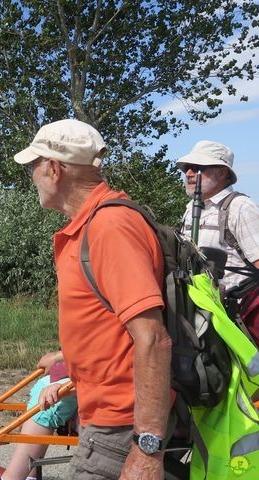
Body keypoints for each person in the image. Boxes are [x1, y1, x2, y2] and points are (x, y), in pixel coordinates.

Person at [13, 119, 172, 480]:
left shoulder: (109, 227)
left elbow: (153, 338)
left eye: (34, 167)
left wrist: (147, 449)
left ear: (54, 168)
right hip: (103, 416)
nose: (32, 177)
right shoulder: (92, 225)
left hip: (121, 425)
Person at [176, 141, 259, 340]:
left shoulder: (240, 207)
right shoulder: (191, 208)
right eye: (186, 168)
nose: (188, 174)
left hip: (240, 315)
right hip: (203, 310)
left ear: (222, 173)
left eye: (197, 168)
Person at [0, 350, 78, 480]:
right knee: (43, 393)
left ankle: (12, 478)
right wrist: (59, 356)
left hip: (89, 377)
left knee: (47, 405)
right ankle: (29, 475)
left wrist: (57, 357)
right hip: (78, 370)